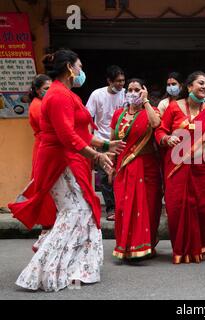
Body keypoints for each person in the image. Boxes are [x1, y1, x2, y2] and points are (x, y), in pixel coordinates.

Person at [8, 49, 125, 291]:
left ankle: (73, 268)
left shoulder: (66, 94)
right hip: (58, 162)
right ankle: (44, 269)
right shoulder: (59, 96)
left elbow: (79, 132)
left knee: (82, 212)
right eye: (79, 67)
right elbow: (67, 136)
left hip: (68, 160)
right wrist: (98, 156)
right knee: (75, 212)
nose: (82, 71)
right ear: (70, 68)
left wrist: (105, 144)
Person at [155, 71, 205, 264]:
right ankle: (181, 248)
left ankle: (202, 245)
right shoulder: (174, 108)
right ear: (189, 86)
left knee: (203, 207)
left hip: (204, 167)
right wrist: (166, 138)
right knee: (176, 207)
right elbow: (160, 129)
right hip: (177, 165)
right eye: (201, 83)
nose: (204, 87)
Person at [109, 78, 162, 260]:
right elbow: (112, 143)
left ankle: (145, 247)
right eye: (130, 89)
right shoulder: (118, 115)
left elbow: (156, 124)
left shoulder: (151, 111)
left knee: (147, 207)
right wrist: (110, 166)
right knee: (124, 207)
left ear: (143, 91)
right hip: (123, 167)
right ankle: (125, 247)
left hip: (147, 168)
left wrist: (146, 101)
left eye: (137, 89)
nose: (132, 92)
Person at [86, 65, 126, 221]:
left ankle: (123, 206)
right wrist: (90, 139)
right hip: (102, 141)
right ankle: (111, 208)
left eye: (123, 81)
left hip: (121, 141)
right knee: (104, 177)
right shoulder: (97, 95)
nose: (121, 84)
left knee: (121, 174)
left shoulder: (126, 95)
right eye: (117, 81)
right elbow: (88, 117)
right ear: (109, 81)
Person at [28, 74, 52, 178]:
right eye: (46, 88)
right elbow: (50, 127)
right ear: (37, 90)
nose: (50, 91)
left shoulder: (43, 103)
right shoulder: (37, 106)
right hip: (45, 147)